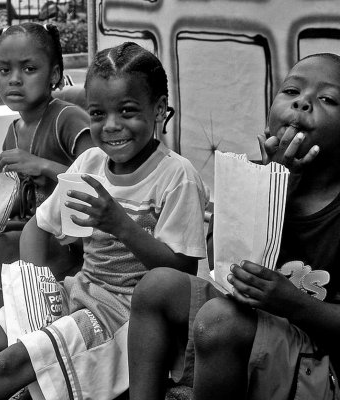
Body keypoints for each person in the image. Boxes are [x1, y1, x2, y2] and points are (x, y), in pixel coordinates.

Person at [0, 42, 208, 400]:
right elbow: (40, 225)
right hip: (78, 293)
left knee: (11, 364)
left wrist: (120, 225)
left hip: (127, 319)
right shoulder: (90, 164)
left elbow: (182, 273)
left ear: (159, 109)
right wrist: (34, 293)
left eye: (127, 111)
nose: (112, 126)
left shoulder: (177, 176)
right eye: (97, 114)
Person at [128, 52, 340, 400]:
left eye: (327, 99)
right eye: (291, 92)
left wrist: (293, 304)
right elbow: (218, 264)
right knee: (156, 286)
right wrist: (272, 186)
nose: (302, 103)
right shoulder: (259, 175)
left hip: (321, 366)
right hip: (265, 331)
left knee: (218, 321)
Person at [0, 22, 92, 298]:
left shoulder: (68, 118)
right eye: (4, 70)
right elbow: (24, 197)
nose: (15, 79)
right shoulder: (13, 132)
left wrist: (41, 165)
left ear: (54, 74)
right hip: (22, 233)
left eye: (29, 69)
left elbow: (100, 184)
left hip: (60, 244)